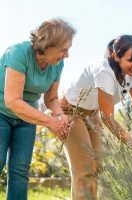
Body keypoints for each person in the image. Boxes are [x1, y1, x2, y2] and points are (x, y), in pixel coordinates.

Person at [59, 34, 132, 200]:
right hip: (70, 111)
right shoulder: (104, 71)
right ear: (116, 56)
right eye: (131, 60)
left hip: (91, 114)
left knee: (97, 165)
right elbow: (108, 118)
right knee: (84, 167)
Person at [0, 18, 76, 200]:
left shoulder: (57, 65)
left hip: (27, 119)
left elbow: (51, 99)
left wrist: (60, 115)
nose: (67, 55)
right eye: (64, 50)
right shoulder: (18, 53)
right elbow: (12, 101)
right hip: (1, 112)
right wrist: (50, 122)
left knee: (19, 171)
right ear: (48, 45)